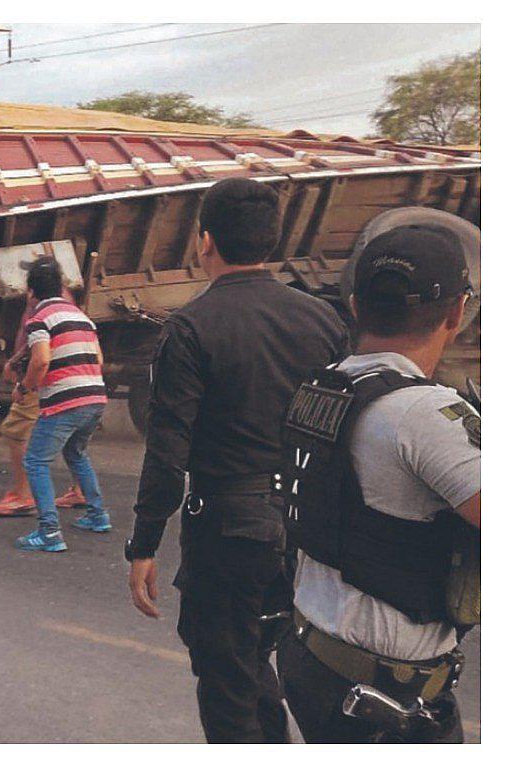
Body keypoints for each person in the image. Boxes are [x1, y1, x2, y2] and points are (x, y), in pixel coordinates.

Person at [123, 177, 348, 743]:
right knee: (259, 663)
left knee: (228, 681)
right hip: (305, 529)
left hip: (227, 531)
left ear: (205, 241)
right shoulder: (324, 321)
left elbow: (168, 448)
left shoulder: (192, 327)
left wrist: (144, 543)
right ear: (270, 241)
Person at [275, 223, 479, 743]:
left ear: (355, 306)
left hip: (316, 658)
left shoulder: (327, 386)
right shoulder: (426, 413)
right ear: (457, 312)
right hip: (383, 696)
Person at [13, 257, 111, 552]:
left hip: (66, 401)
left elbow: (41, 359)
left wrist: (25, 387)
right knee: (76, 452)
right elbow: (99, 359)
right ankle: (97, 515)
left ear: (31, 292)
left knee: (35, 461)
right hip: (95, 396)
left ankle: (49, 532)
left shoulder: (39, 319)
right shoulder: (81, 317)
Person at [0, 284, 86, 517]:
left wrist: (18, 371)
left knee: (16, 429)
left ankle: (23, 496)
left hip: (46, 376)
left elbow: (39, 349)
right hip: (72, 376)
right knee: (72, 435)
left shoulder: (42, 304)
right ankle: (81, 491)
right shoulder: (67, 301)